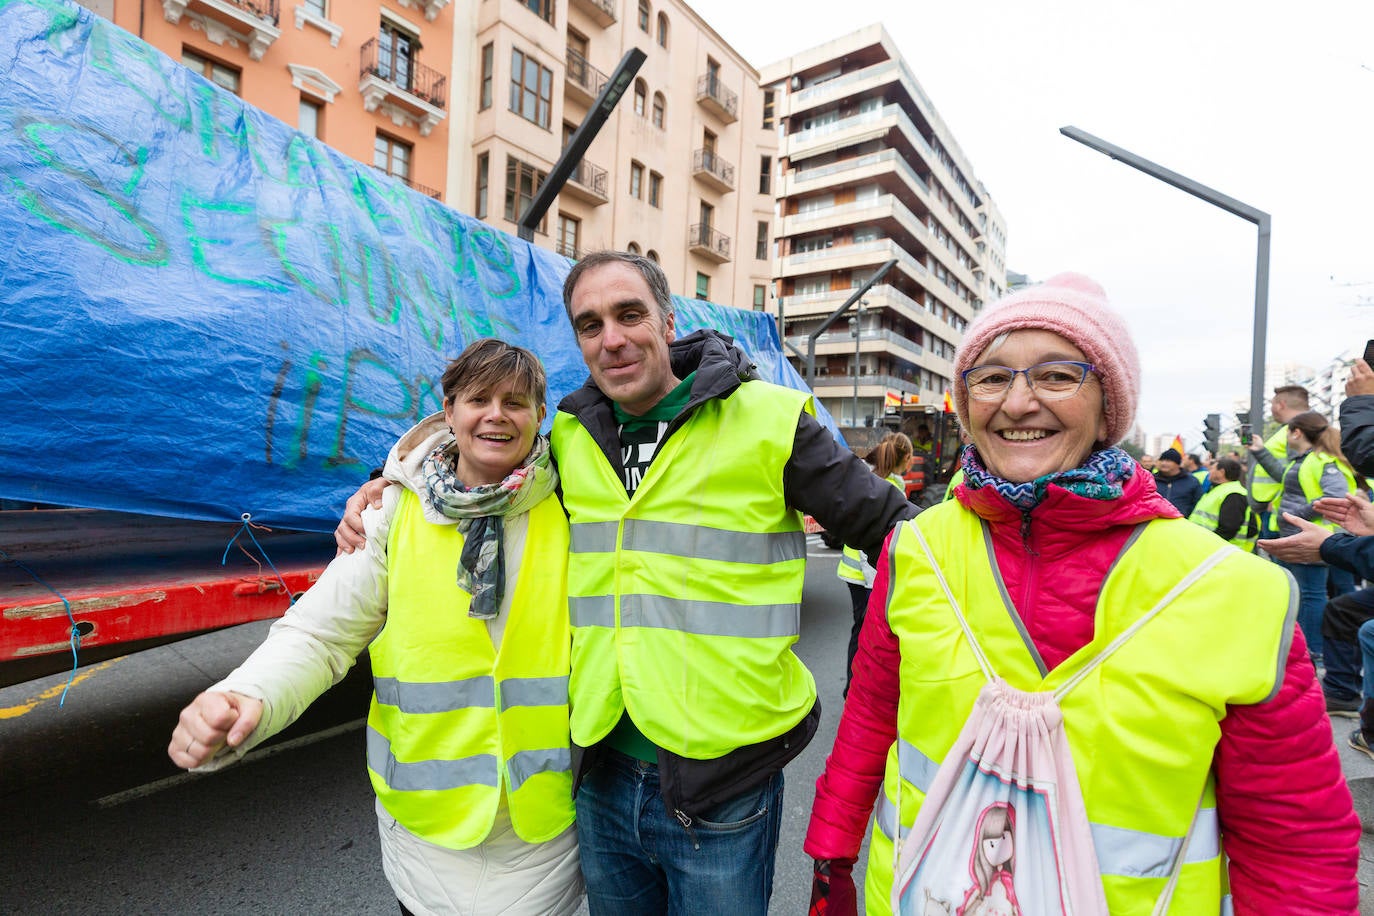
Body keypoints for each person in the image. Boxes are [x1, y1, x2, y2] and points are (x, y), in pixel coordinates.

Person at [337, 251, 916, 914]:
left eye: (629, 314)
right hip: (602, 775)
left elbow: (901, 537)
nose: (611, 337)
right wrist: (394, 487)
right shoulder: (576, 436)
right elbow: (484, 474)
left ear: (668, 322)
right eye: (590, 324)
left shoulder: (771, 420)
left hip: (723, 783)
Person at [803, 273, 1358, 915]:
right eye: (990, 377)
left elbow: (1293, 842)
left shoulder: (1235, 592)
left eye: (1057, 375)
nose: (1017, 402)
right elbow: (872, 719)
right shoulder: (918, 548)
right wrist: (831, 859)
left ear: (1108, 406)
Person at [170, 339, 584, 916]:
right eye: (478, 398)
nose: (496, 414)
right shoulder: (392, 512)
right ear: (449, 409)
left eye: (516, 402)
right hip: (424, 827)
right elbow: (320, 632)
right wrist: (247, 696)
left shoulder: (576, 506)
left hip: (540, 830)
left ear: (541, 415)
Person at [1248, 412, 1362, 661]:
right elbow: (1286, 480)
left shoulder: (1322, 461)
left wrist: (1294, 515)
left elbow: (1335, 495)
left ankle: (1314, 650)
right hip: (1302, 535)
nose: (1286, 437)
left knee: (1311, 595)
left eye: (1288, 432)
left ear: (1296, 432)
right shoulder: (1305, 459)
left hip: (1314, 537)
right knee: (1301, 593)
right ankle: (1303, 648)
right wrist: (1259, 451)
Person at [836, 432, 914, 695]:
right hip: (868, 572)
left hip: (855, 572)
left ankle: (854, 686)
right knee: (869, 634)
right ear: (902, 458)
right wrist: (877, 578)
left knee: (861, 630)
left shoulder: (865, 474)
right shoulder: (890, 485)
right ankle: (857, 689)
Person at [1248, 384, 1311, 538]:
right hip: (1278, 509)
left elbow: (1297, 476)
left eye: (1271, 404)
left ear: (1280, 405)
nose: (1270, 409)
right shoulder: (1297, 428)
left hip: (1279, 510)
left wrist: (1261, 452)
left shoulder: (1298, 429)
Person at [1186, 456, 1257, 551]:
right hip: (1211, 549)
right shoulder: (1220, 490)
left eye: (1212, 469)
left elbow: (1229, 528)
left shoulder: (1233, 493)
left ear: (1221, 472)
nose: (1209, 472)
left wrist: (1207, 545)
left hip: (1220, 552)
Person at [1152, 447, 1202, 516]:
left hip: (1181, 524)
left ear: (1178, 463)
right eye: (1162, 460)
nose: (1163, 463)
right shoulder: (1151, 480)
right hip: (1154, 523)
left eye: (1168, 461)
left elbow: (1197, 503)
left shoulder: (1191, 481)